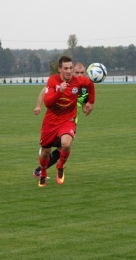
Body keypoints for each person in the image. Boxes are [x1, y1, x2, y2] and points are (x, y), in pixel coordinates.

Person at [37, 56, 95, 187]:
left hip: (67, 119)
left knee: (66, 144)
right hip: (51, 121)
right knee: (45, 152)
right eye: (66, 68)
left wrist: (91, 103)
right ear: (60, 69)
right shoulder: (52, 81)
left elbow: (90, 85)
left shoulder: (77, 81)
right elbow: (48, 102)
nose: (69, 71)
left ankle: (60, 166)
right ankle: (43, 172)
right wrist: (59, 91)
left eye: (71, 68)